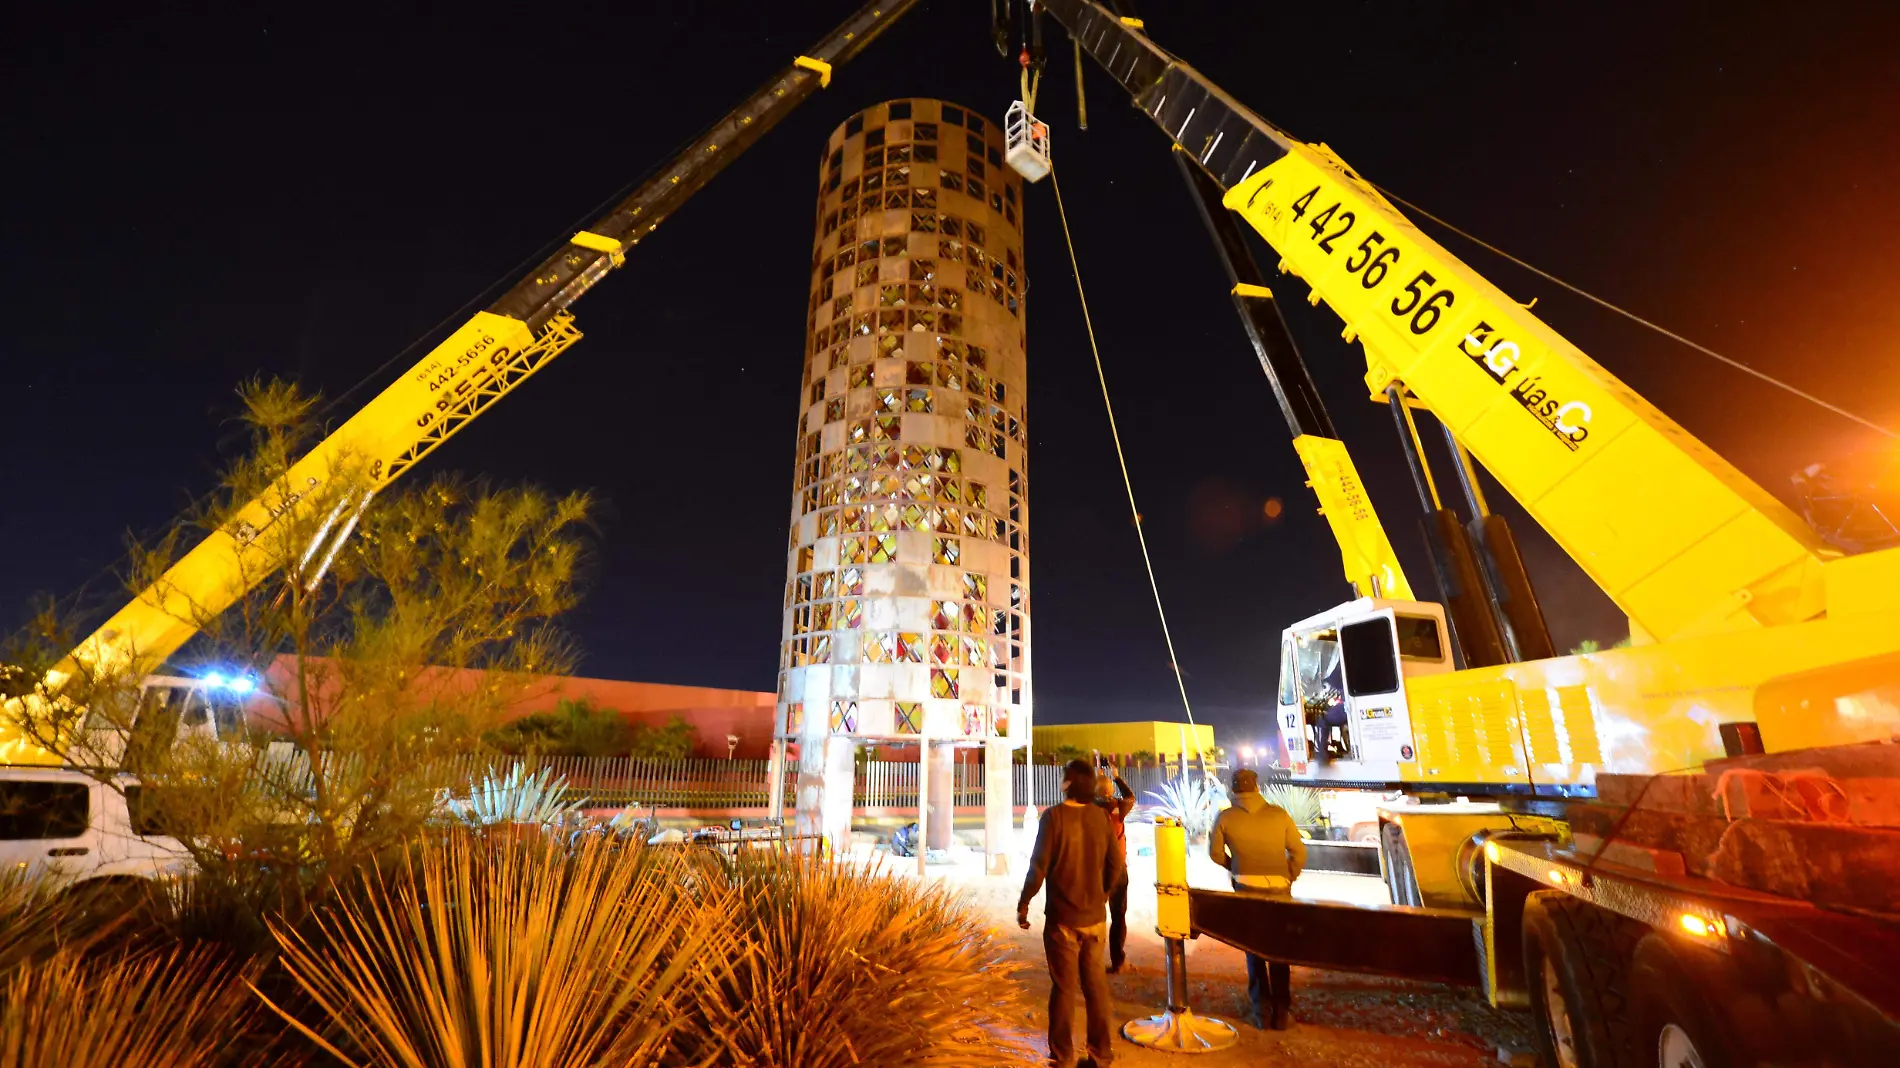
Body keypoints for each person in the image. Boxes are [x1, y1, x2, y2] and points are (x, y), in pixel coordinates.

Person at [1019, 758, 1125, 1068]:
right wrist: (1102, 895)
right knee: (1096, 989)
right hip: (1094, 920)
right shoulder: (1102, 818)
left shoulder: (1053, 818)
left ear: (1066, 784)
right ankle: (1101, 1056)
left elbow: (1038, 867)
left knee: (1064, 988)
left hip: (1062, 921)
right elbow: (1115, 865)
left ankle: (1063, 1057)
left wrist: (1024, 903)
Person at [1208, 768, 1307, 1030]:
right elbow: (1299, 852)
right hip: (1279, 889)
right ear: (1257, 787)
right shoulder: (1279, 814)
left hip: (1246, 890)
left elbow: (1215, 854)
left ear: (1233, 789)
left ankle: (1261, 1010)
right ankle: (1282, 1010)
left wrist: (1236, 867)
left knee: (1254, 949)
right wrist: (1288, 876)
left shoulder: (1225, 817)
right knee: (1278, 948)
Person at [1094, 765, 1136, 973]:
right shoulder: (1119, 808)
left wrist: (1098, 781)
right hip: (1118, 870)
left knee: (1095, 916)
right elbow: (1130, 796)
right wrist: (1117, 778)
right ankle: (1118, 961)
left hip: (1096, 871)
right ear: (1111, 792)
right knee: (1118, 916)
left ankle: (1091, 961)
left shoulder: (1088, 810)